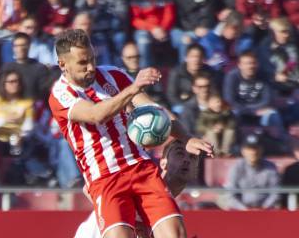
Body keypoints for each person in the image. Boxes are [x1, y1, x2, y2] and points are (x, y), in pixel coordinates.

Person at [49, 29, 213, 238]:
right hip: (105, 178)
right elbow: (96, 114)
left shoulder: (113, 75)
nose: (91, 67)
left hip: (140, 167)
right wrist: (133, 88)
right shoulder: (60, 94)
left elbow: (155, 110)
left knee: (175, 234)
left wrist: (186, 137)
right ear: (63, 64)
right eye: (83, 63)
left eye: (92, 59)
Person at [75, 139, 199, 238]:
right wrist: (134, 221)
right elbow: (87, 189)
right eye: (179, 153)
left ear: (196, 170)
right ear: (162, 162)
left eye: (192, 157)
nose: (186, 160)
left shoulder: (168, 210)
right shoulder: (143, 177)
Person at [223, 51, 285, 136]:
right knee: (231, 114)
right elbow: (230, 100)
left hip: (260, 109)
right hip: (240, 109)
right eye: (246, 63)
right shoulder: (232, 76)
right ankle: (235, 145)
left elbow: (267, 99)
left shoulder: (264, 75)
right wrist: (251, 111)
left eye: (253, 63)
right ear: (239, 65)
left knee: (273, 114)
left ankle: (278, 143)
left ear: (257, 64)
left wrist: (256, 110)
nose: (250, 66)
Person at [0, 69, 34, 156]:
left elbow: (29, 125)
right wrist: (4, 120)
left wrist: (22, 136)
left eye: (18, 81)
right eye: (11, 81)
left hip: (18, 139)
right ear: (4, 83)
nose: (15, 84)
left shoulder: (27, 102)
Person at [225, 133, 280, 210]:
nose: (253, 152)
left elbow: (276, 193)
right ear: (243, 151)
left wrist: (263, 208)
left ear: (262, 149)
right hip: (240, 211)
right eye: (249, 149)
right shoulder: (236, 168)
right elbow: (230, 195)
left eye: (256, 148)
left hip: (266, 211)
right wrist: (245, 210)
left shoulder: (270, 167)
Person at [167, 43, 220, 114]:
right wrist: (186, 107)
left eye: (199, 57)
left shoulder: (210, 72)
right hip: (183, 104)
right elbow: (171, 95)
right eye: (192, 56)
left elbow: (214, 91)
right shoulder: (176, 72)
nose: (196, 59)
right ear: (186, 57)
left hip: (205, 104)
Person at [1, 32, 52, 100]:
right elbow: (1, 90)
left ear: (29, 46)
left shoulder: (40, 68)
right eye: (17, 46)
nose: (20, 48)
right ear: (13, 48)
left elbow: (43, 93)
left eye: (23, 45)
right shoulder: (7, 68)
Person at [121, 42, 168, 107]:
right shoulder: (119, 77)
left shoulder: (150, 73)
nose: (134, 60)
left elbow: (159, 96)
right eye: (130, 57)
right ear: (123, 58)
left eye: (136, 56)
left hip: (151, 109)